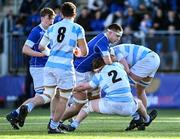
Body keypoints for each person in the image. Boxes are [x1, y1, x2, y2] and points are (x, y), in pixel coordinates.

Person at [63, 57, 158, 132]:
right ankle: (146, 119)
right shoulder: (117, 65)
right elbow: (123, 63)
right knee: (139, 102)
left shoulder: (98, 75)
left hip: (111, 105)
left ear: (96, 69)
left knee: (87, 106)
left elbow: (84, 87)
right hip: (128, 108)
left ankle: (73, 125)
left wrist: (70, 88)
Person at [38, 2, 88, 134]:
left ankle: (50, 119)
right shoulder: (77, 28)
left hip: (50, 65)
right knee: (64, 98)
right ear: (75, 14)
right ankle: (54, 125)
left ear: (61, 14)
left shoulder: (52, 28)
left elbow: (41, 47)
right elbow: (85, 51)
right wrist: (77, 52)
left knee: (53, 95)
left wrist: (52, 53)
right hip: (65, 67)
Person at [60, 23, 123, 123]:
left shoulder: (103, 39)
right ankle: (56, 121)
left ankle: (70, 109)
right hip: (81, 71)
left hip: (88, 71)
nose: (118, 39)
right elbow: (108, 62)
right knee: (80, 103)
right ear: (110, 32)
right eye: (117, 36)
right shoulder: (102, 41)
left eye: (120, 36)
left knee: (95, 97)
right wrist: (117, 63)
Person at [6, 7, 55, 130]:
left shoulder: (50, 31)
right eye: (49, 18)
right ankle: (54, 122)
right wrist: (41, 54)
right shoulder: (36, 31)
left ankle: (15, 114)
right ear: (42, 18)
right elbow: (25, 49)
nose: (51, 21)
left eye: (53, 18)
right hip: (38, 67)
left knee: (42, 96)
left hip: (45, 67)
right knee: (47, 96)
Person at [110, 43, 160, 130]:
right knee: (140, 90)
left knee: (122, 88)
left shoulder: (113, 51)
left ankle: (138, 118)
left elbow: (127, 69)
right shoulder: (114, 50)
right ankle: (144, 119)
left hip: (148, 60)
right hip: (154, 58)